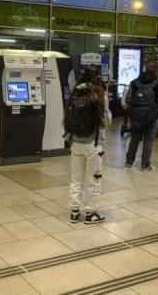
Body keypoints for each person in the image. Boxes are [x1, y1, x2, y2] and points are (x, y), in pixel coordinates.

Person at [64, 67, 110, 224]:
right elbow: (106, 120)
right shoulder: (99, 93)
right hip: (93, 144)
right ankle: (90, 213)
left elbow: (66, 120)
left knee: (76, 178)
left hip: (75, 143)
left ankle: (74, 212)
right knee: (92, 179)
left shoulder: (75, 92)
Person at [122, 62, 158, 171]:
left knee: (134, 138)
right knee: (149, 140)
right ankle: (145, 165)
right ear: (156, 71)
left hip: (137, 117)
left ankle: (129, 162)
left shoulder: (134, 83)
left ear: (144, 69)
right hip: (152, 118)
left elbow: (128, 99)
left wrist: (134, 110)